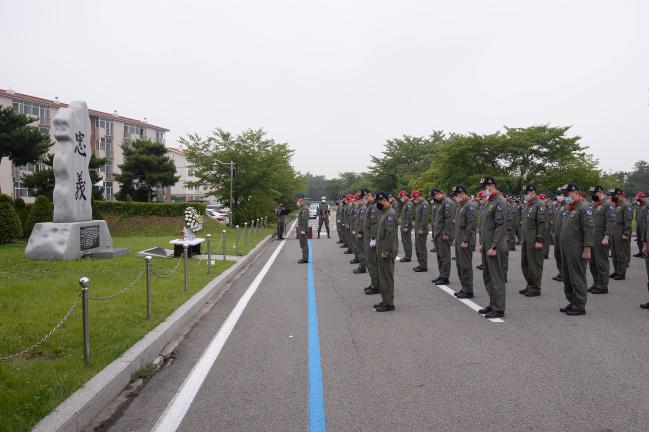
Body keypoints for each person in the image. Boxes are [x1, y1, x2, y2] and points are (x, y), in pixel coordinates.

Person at [559, 184, 593, 316]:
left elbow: (588, 230)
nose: (566, 197)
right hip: (566, 248)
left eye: (568, 194)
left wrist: (587, 249)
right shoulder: (570, 208)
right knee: (567, 276)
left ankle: (579, 305)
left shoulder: (584, 208)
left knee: (577, 276)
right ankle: (572, 301)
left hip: (577, 249)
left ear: (576, 192)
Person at [477, 176, 507, 319]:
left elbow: (500, 227)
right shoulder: (490, 202)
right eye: (483, 188)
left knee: (496, 277)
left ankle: (499, 307)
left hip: (495, 246)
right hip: (487, 245)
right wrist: (483, 243)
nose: (484, 190)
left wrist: (494, 246)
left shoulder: (500, 202)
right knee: (487, 276)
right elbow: (486, 226)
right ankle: (492, 303)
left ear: (493, 186)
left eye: (486, 187)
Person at [519, 184, 547, 297]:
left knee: (534, 263)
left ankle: (535, 287)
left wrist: (539, 239)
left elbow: (541, 223)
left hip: (534, 239)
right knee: (525, 263)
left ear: (533, 192)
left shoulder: (539, 205)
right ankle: (529, 284)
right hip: (526, 238)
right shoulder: (528, 205)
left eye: (526, 193)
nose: (525, 195)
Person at [373, 191, 398, 312]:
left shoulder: (390, 214)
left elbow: (390, 235)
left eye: (379, 201)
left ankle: (389, 303)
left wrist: (386, 250)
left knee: (386, 277)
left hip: (386, 250)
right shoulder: (385, 212)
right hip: (382, 249)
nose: (378, 204)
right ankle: (385, 300)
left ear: (383, 200)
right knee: (382, 276)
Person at [588, 185, 615, 294]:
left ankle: (603, 285)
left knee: (601, 262)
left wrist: (607, 237)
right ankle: (596, 283)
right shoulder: (594, 205)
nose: (592, 196)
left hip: (602, 237)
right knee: (592, 262)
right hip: (592, 237)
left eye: (593, 194)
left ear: (600, 193)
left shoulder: (608, 205)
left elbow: (610, 222)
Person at [451, 185, 476, 299]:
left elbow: (471, 225)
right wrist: (456, 238)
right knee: (459, 265)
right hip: (459, 238)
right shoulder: (460, 206)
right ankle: (464, 287)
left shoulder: (469, 205)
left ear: (462, 193)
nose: (455, 197)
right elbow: (458, 225)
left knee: (465, 265)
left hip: (466, 240)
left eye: (456, 195)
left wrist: (465, 240)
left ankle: (468, 290)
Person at [431, 188, 454, 285]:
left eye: (435, 195)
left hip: (443, 234)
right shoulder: (439, 203)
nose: (434, 198)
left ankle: (445, 277)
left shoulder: (447, 203)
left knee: (445, 257)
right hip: (438, 233)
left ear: (440, 194)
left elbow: (449, 220)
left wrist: (446, 233)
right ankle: (441, 275)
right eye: (433, 197)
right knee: (439, 256)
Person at [608, 188, 632, 280]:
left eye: (613, 195)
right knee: (614, 252)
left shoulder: (626, 205)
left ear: (620, 195)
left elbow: (628, 220)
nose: (612, 197)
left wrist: (626, 233)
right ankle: (616, 270)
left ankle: (621, 272)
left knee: (621, 252)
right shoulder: (614, 205)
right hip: (614, 231)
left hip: (621, 231)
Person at [363, 191, 381, 295]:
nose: (365, 198)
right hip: (368, 238)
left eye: (367, 196)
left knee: (373, 263)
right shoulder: (369, 206)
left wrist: (373, 238)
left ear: (371, 196)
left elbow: (375, 224)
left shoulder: (374, 207)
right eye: (364, 196)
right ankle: (373, 282)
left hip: (372, 239)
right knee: (370, 263)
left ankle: (376, 285)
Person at [552, 188, 568, 282]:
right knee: (557, 254)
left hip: (563, 235)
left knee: (563, 255)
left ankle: (564, 274)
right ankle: (561, 272)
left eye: (560, 194)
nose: (558, 196)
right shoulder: (559, 206)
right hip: (557, 234)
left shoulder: (567, 206)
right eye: (557, 194)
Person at [413, 190, 430, 272]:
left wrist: (421, 228)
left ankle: (423, 266)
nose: (415, 199)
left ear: (420, 196)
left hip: (421, 230)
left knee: (421, 247)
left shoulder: (425, 204)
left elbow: (424, 217)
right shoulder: (419, 204)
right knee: (417, 246)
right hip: (417, 229)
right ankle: (420, 264)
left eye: (416, 197)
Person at [354, 190, 369, 274]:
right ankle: (362, 265)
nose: (357, 202)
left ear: (360, 200)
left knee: (361, 250)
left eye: (357, 200)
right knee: (360, 249)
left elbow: (362, 222)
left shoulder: (363, 208)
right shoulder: (361, 208)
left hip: (361, 233)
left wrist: (360, 232)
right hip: (359, 232)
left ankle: (362, 266)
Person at [399, 190, 414, 263]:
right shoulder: (406, 204)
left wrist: (406, 225)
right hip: (403, 225)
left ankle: (408, 257)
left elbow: (409, 216)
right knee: (404, 241)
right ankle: (406, 255)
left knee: (407, 241)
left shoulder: (409, 204)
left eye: (401, 197)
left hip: (406, 226)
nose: (401, 198)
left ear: (404, 196)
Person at [296, 194, 310, 263]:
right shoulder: (302, 208)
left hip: (302, 229)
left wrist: (303, 230)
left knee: (304, 244)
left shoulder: (304, 209)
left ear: (301, 201)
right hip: (301, 228)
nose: (297, 203)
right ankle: (304, 257)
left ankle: (305, 258)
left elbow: (305, 220)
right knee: (302, 243)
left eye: (298, 201)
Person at [633, 192, 648, 257]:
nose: (638, 200)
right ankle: (640, 251)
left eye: (639, 199)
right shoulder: (638, 205)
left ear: (643, 197)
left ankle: (646, 252)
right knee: (639, 239)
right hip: (638, 224)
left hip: (645, 225)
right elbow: (636, 215)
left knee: (644, 239)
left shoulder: (647, 205)